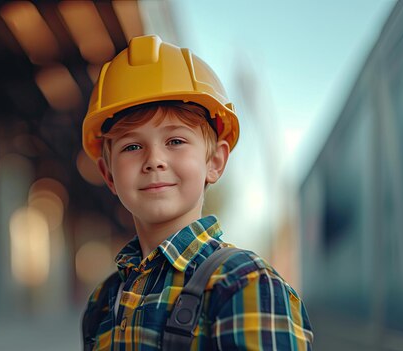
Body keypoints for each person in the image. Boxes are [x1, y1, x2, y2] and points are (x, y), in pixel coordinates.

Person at [80, 35, 313, 350]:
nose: (154, 161)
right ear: (108, 174)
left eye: (175, 141)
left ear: (215, 161)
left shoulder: (245, 286)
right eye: (132, 146)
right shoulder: (104, 301)